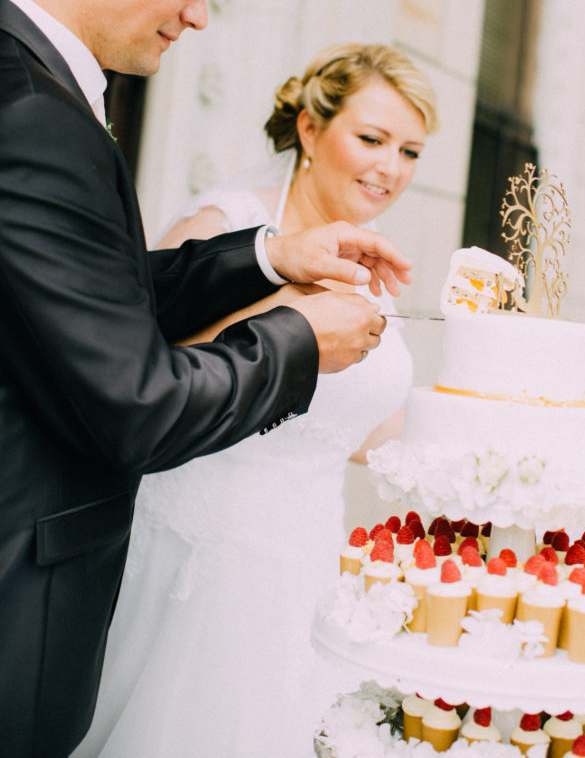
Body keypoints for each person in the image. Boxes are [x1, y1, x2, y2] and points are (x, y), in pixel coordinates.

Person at [0, 0, 413, 758]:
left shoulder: (35, 91)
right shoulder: (33, 113)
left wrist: (269, 258)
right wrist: (301, 337)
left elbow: (98, 296)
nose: (197, 16)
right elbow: (138, 405)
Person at [74, 43, 438, 757]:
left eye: (410, 150)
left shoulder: (365, 259)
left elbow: (360, 430)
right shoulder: (222, 229)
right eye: (371, 139)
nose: (389, 168)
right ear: (308, 129)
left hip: (304, 562)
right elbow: (155, 378)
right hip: (200, 556)